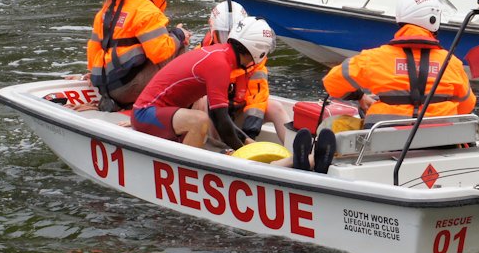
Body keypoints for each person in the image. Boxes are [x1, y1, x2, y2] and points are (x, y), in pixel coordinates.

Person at [131, 16, 335, 172]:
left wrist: (248, 142)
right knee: (199, 120)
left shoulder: (222, 56)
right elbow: (221, 122)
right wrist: (247, 150)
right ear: (258, 51)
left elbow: (224, 120)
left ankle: (296, 159)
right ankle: (189, 170)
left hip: (165, 113)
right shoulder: (219, 64)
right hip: (146, 114)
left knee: (210, 124)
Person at [322, 0, 476, 127]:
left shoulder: (374, 58)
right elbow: (467, 105)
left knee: (331, 125)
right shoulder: (452, 63)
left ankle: (313, 158)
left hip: (383, 142)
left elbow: (332, 83)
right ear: (434, 20)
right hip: (441, 143)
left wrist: (360, 96)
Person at [87, 0, 191, 112]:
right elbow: (161, 53)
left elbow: (93, 53)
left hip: (107, 86)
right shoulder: (145, 9)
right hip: (127, 88)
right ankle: (175, 107)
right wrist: (180, 34)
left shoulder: (107, 8)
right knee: (181, 47)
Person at [195, 0, 290, 144]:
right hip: (210, 118)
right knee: (202, 100)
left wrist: (250, 132)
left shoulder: (253, 58)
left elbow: (258, 96)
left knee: (275, 107)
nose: (227, 41)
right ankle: (215, 147)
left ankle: (298, 152)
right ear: (213, 32)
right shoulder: (200, 55)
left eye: (231, 34)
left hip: (236, 113)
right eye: (222, 34)